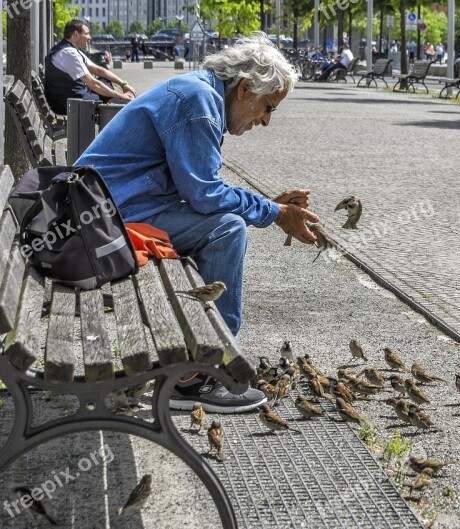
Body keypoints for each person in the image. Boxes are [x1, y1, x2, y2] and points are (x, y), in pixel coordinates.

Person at [76, 33, 320, 413]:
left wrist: (267, 205)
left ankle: (197, 359)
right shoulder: (199, 103)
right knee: (228, 229)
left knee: (226, 222)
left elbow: (199, 192)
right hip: (103, 225)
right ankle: (202, 374)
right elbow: (205, 194)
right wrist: (274, 214)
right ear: (244, 89)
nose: (267, 120)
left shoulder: (198, 92)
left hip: (102, 215)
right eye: (268, 106)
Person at [44, 19, 136, 115]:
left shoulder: (71, 49)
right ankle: (118, 119)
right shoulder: (68, 53)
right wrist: (120, 96)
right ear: (76, 35)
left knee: (106, 85)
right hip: (67, 103)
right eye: (87, 34)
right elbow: (92, 83)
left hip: (72, 97)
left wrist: (123, 84)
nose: (90, 37)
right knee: (110, 98)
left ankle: (117, 115)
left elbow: (99, 70)